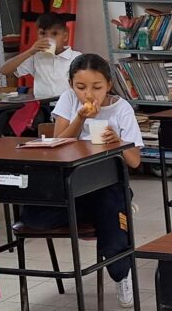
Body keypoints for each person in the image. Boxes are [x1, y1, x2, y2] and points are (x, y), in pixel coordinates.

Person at [20, 54, 143, 308]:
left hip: (107, 184)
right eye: (81, 87)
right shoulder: (67, 101)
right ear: (71, 85)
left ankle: (121, 274)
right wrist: (81, 118)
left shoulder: (121, 108)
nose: (89, 94)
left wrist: (117, 142)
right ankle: (100, 214)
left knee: (111, 215)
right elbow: (58, 145)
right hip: (71, 185)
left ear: (108, 84)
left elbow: (135, 161)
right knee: (32, 216)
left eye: (97, 88)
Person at [0, 12, 82, 98]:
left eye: (54, 34)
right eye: (42, 33)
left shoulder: (77, 58)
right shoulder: (36, 57)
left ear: (65, 36)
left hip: (67, 108)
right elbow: (4, 70)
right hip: (42, 106)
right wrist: (30, 52)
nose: (48, 38)